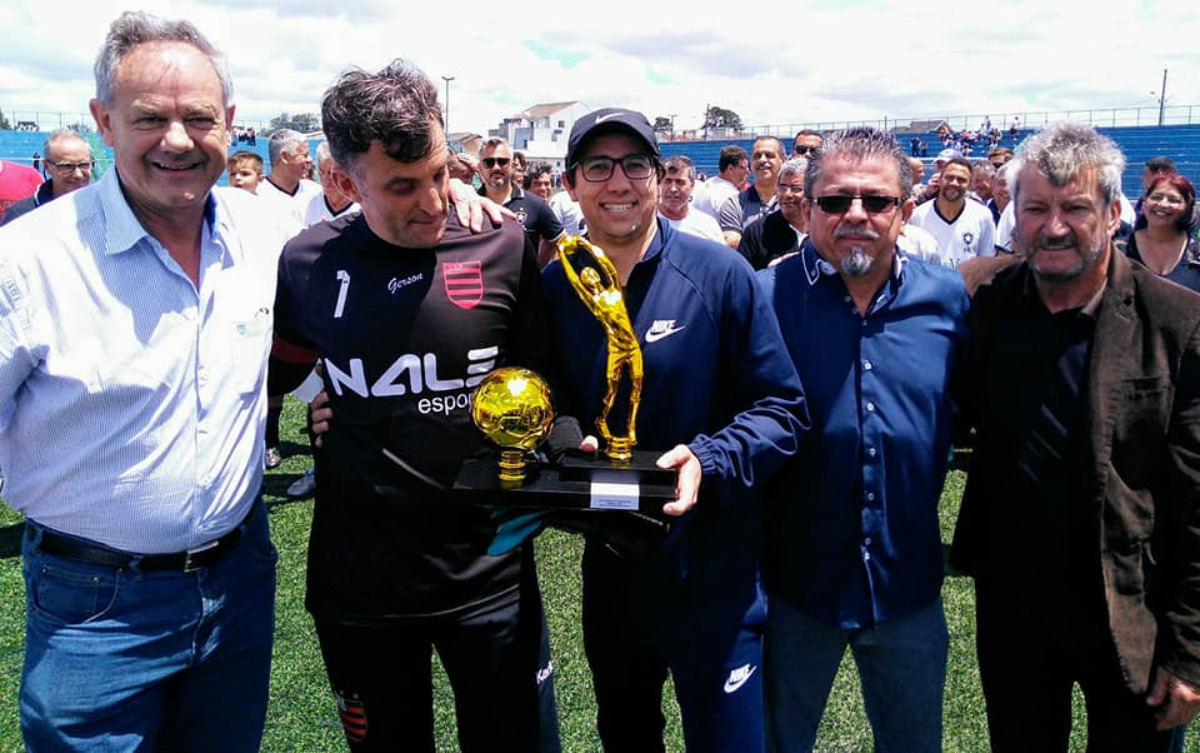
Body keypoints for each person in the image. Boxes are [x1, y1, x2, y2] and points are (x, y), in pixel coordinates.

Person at [0, 12, 295, 750]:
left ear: (230, 123)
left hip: (239, 582)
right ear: (103, 121)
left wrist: (466, 204)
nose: (177, 139)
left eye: (198, 118)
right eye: (149, 118)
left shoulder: (267, 234)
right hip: (93, 604)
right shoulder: (27, 261)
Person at [268, 59, 559, 753]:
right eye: (402, 186)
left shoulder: (501, 241)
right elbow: (279, 372)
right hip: (362, 588)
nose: (431, 202)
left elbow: (547, 381)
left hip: (492, 576)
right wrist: (323, 397)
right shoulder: (307, 263)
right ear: (344, 183)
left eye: (438, 174)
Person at [542, 107, 808, 753]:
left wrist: (708, 459)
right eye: (598, 166)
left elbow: (782, 407)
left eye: (635, 164)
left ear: (660, 178)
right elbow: (547, 397)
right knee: (627, 737)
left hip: (714, 568)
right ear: (571, 184)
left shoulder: (719, 273)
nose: (619, 182)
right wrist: (563, 443)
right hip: (613, 572)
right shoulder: (554, 284)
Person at [951, 121, 1200, 752]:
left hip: (1131, 602)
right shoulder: (980, 297)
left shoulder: (1177, 322)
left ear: (1114, 213)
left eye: (1075, 208)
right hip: (1014, 604)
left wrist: (1190, 651)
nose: (1053, 226)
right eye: (1036, 208)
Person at [758, 127, 968, 753]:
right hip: (792, 587)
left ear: (905, 211)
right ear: (805, 207)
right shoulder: (762, 299)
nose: (856, 215)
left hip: (907, 586)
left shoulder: (948, 301)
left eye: (876, 201)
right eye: (835, 200)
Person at [477, 137, 564, 265]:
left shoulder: (535, 205)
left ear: (513, 166)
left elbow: (560, 240)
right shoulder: (470, 205)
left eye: (502, 161)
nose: (496, 167)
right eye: (488, 162)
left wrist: (539, 270)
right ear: (479, 168)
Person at [1119, 173, 1200, 292]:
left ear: (1187, 208)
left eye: (1173, 200)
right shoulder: (1119, 251)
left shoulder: (1197, 253)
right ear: (1145, 201)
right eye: (1156, 197)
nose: (1163, 204)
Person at [909, 157, 995, 267]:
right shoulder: (918, 216)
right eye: (949, 178)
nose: (954, 183)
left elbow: (987, 261)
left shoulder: (983, 215)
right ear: (940, 180)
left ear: (970, 185)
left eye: (961, 180)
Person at [0, 129, 94, 226]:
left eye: (84, 165)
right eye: (67, 166)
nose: (78, 174)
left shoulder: (103, 206)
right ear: (46, 166)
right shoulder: (20, 215)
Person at [738, 157, 808, 270]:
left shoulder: (824, 230)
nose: (787, 194)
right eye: (782, 187)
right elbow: (742, 276)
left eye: (796, 188)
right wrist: (769, 272)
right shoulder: (757, 232)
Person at [717, 136, 786, 248]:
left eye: (769, 155)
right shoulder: (734, 204)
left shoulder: (793, 201)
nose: (762, 160)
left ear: (783, 160)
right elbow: (732, 246)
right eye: (757, 156)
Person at [656, 155, 724, 243]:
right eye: (667, 181)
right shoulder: (646, 224)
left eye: (680, 182)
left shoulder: (708, 226)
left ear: (692, 185)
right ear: (659, 183)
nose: (673, 189)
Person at [690, 144, 747, 220]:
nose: (747, 171)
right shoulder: (730, 196)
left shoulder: (707, 184)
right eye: (742, 167)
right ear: (730, 169)